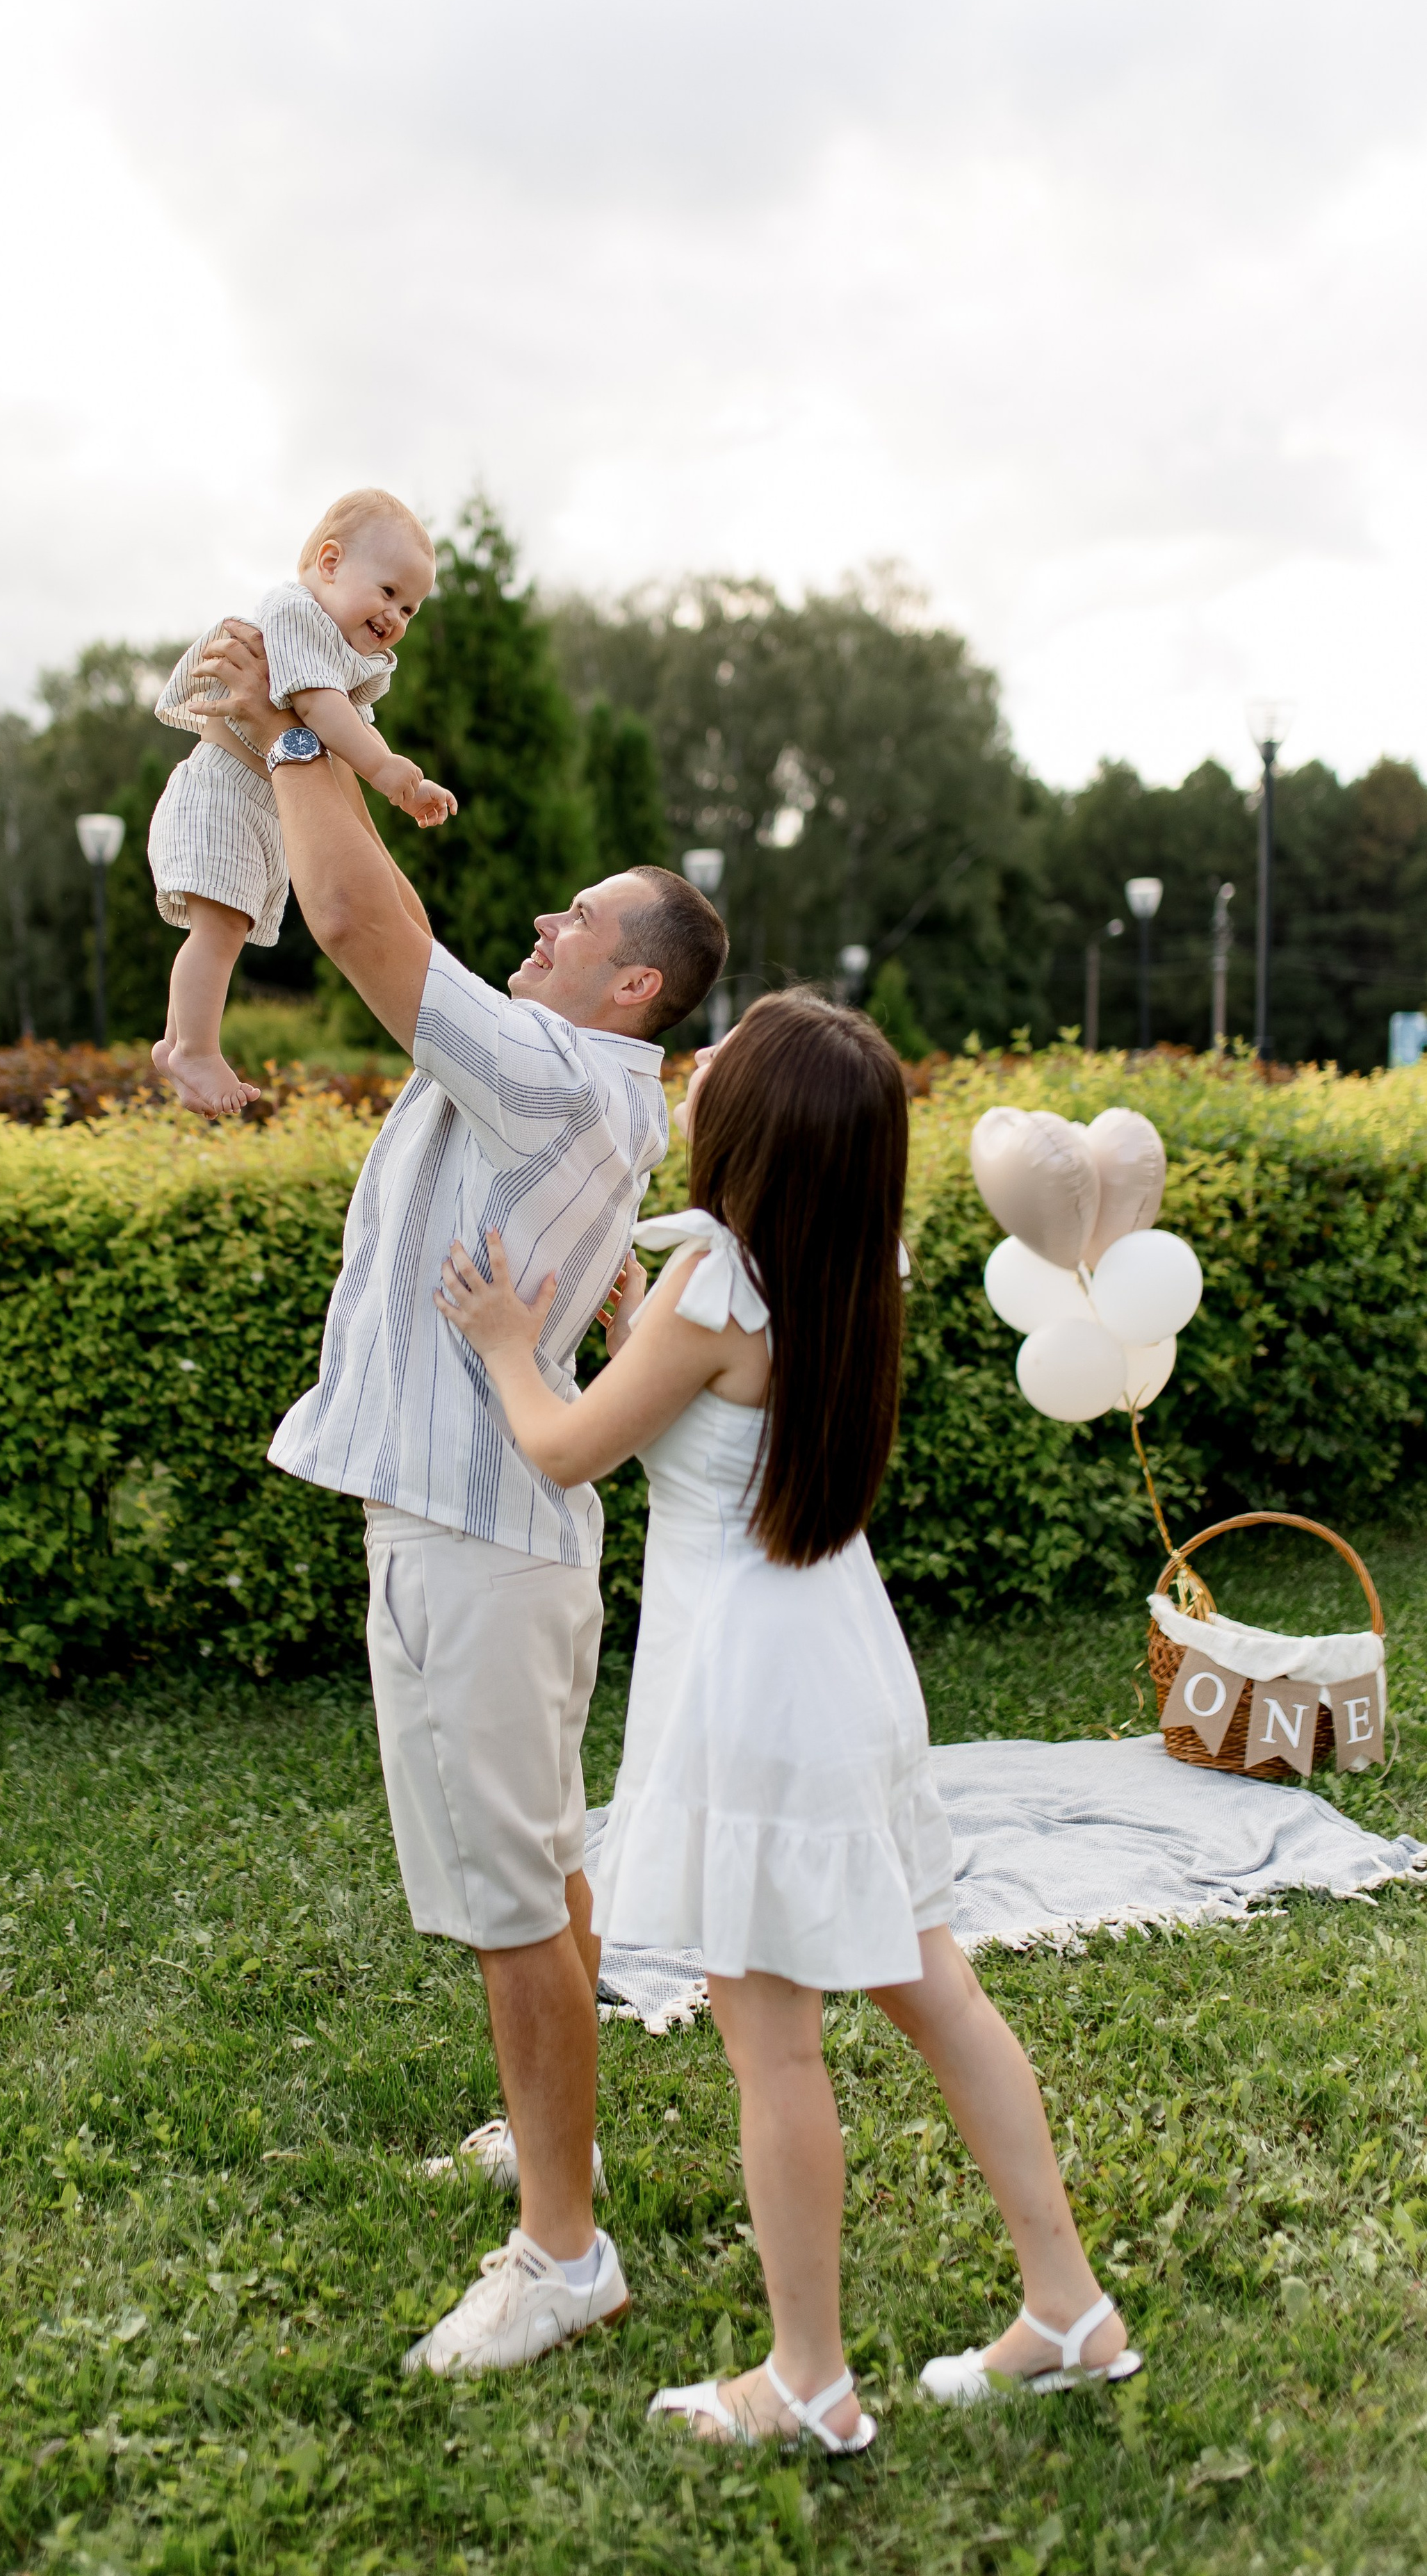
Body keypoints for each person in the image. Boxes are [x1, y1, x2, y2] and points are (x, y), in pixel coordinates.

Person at [435, 991, 1143, 2451]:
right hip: (842, 1661)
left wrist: (510, 1343)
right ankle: (1066, 2307)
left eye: (716, 1066)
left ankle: (807, 2379)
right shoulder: (848, 1260)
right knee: (933, 1990)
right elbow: (722, 1407)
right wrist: (648, 1329)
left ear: (748, 1128)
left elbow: (568, 1447)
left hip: (752, 1690)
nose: (690, 1079)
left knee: (773, 2047)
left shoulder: (713, 1291)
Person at [189, 617, 728, 2377]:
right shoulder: (574, 1079)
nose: (540, 927)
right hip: (505, 1533)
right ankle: (544, 2127)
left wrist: (292, 730)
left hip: (476, 1542)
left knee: (508, 1898)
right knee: (545, 1866)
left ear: (633, 987)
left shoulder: (557, 1074)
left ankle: (563, 2252)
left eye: (574, 922)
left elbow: (357, 923)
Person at [147, 489, 456, 1119]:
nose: (397, 616)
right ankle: (196, 1050)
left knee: (223, 929)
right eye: (390, 592)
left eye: (411, 609)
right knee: (220, 928)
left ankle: (177, 1043)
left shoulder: (341, 654)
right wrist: (390, 772)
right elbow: (318, 709)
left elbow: (351, 729)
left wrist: (397, 776)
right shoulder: (294, 613)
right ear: (332, 561)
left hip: (256, 808)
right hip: (221, 795)